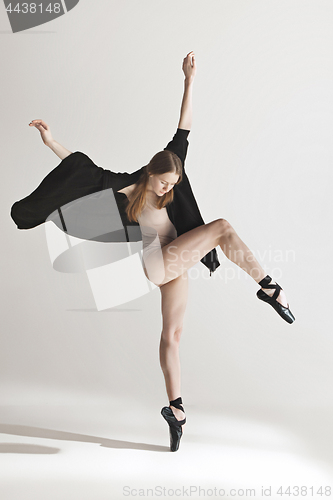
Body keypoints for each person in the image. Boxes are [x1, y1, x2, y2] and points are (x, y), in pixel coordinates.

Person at [11, 51, 295, 453]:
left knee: (173, 335)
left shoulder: (172, 173)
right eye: (163, 183)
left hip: (175, 259)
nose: (168, 189)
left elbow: (184, 128)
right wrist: (51, 139)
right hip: (158, 262)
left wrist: (189, 81)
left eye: (173, 183)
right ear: (150, 173)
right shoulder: (124, 187)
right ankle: (268, 286)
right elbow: (80, 169)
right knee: (222, 228)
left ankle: (175, 409)